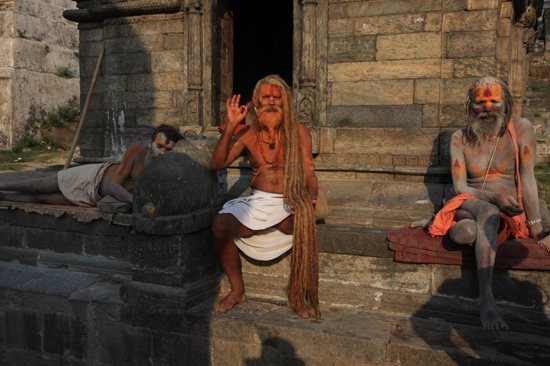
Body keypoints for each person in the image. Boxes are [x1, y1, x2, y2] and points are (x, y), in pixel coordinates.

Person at [412, 76, 547, 331]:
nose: (487, 108)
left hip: (505, 214)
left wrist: (537, 227)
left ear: (506, 103)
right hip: (471, 202)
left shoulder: (520, 129)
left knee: (466, 233)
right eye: (480, 103)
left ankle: (444, 224)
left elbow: (528, 180)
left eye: (494, 101)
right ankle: (487, 300)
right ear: (469, 107)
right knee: (488, 210)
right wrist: (493, 197)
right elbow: (461, 187)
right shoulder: (458, 139)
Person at [210, 75, 320, 318]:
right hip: (258, 202)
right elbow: (217, 163)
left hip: (289, 200)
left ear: (286, 101)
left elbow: (310, 174)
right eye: (266, 97)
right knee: (219, 224)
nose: (271, 102)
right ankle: (237, 290)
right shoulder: (248, 133)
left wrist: (309, 200)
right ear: (255, 102)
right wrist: (230, 127)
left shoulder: (299, 132)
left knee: (303, 221)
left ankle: (296, 295)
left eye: (277, 97)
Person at [0, 125, 183, 207]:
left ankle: (3, 197)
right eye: (159, 146)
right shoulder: (137, 152)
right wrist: (135, 202)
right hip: (91, 176)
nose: (162, 153)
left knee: (43, 199)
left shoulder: (164, 169)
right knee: (34, 186)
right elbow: (114, 185)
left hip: (95, 199)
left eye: (168, 150)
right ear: (151, 142)